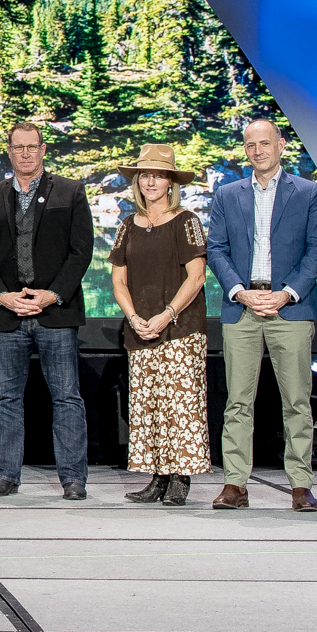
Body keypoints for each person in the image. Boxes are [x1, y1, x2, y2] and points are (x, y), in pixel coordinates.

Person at [204, 118, 317, 513]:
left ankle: (300, 484)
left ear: (281, 146)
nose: (257, 151)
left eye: (265, 143)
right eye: (250, 145)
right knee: (238, 403)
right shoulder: (227, 194)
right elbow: (216, 249)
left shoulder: (308, 193)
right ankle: (234, 484)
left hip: (289, 308)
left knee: (296, 400)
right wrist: (241, 292)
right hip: (241, 308)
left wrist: (286, 293)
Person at [0, 122, 95, 499]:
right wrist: (1, 296)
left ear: (43, 150)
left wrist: (51, 294)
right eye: (18, 147)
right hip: (9, 314)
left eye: (31, 147)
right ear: (9, 151)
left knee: (66, 396)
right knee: (6, 397)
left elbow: (81, 251)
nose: (25, 153)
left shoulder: (70, 192)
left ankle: (73, 478)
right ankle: (6, 475)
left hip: (55, 312)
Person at [108, 144, 210, 506]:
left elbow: (196, 277)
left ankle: (180, 477)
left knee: (180, 405)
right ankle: (157, 476)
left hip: (180, 328)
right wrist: (134, 317)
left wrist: (167, 314)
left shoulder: (186, 221)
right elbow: (118, 281)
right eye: (144, 175)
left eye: (158, 175)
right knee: (148, 406)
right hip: (141, 329)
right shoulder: (127, 226)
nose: (150, 181)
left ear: (170, 182)